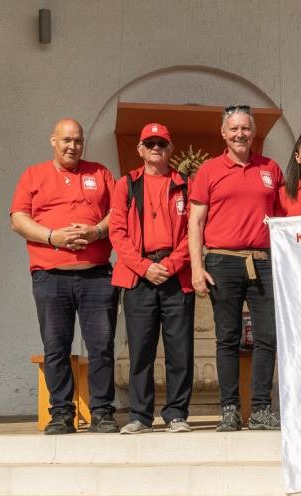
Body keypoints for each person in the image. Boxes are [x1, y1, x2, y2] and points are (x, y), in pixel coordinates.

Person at [10, 118, 119, 435]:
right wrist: (52, 236)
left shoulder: (100, 173)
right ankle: (60, 413)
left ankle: (102, 412)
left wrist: (97, 231)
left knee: (101, 346)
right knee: (56, 347)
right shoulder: (34, 175)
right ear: (53, 141)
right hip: (50, 276)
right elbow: (18, 219)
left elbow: (119, 212)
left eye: (78, 140)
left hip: (96, 277)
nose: (73, 146)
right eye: (67, 140)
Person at [188, 105, 283, 431]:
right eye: (234, 129)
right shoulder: (209, 170)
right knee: (227, 338)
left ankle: (261, 409)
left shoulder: (270, 168)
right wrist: (196, 267)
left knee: (267, 337)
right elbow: (195, 222)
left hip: (263, 262)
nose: (240, 134)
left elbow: (284, 217)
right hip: (222, 261)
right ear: (223, 134)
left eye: (245, 128)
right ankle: (229, 408)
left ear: (253, 132)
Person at [109, 123, 195, 434]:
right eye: (150, 143)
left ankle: (176, 414)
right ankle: (140, 416)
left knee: (179, 349)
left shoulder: (184, 184)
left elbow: (194, 230)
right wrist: (144, 266)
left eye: (161, 143)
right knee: (141, 349)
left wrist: (171, 264)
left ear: (170, 149)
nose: (156, 148)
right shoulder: (127, 184)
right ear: (140, 149)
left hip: (176, 274)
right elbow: (117, 232)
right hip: (139, 275)